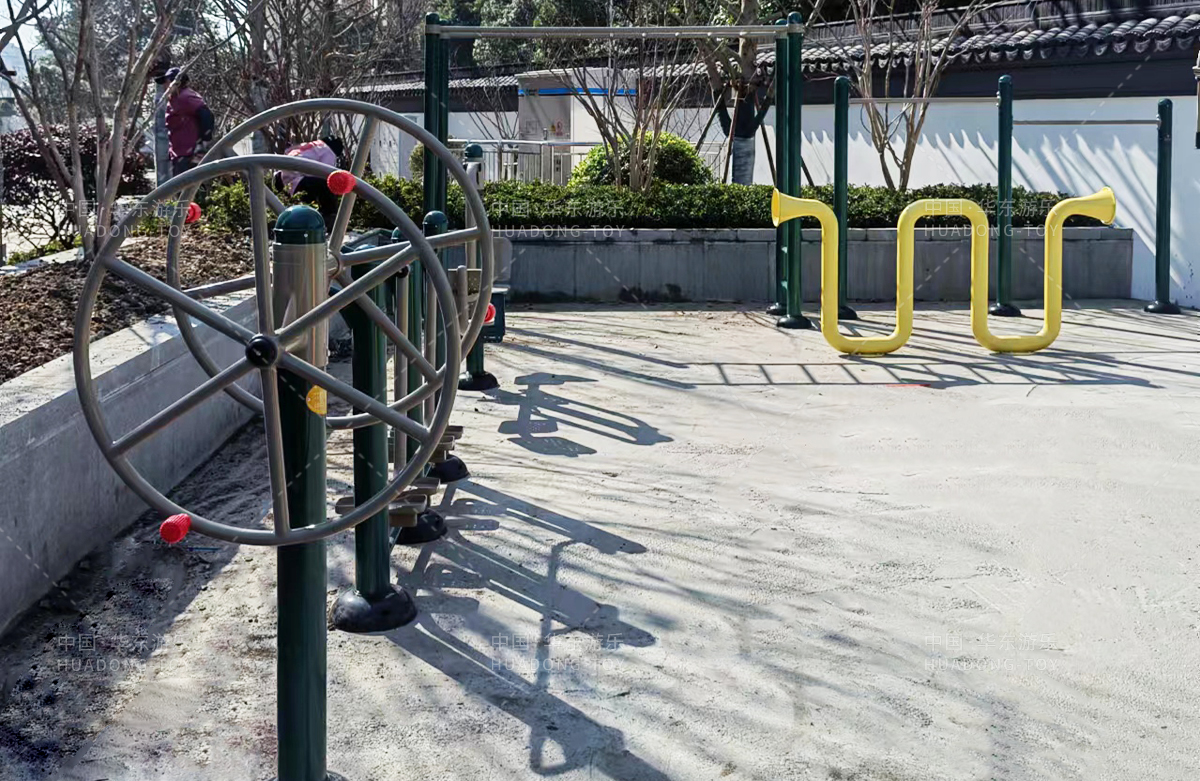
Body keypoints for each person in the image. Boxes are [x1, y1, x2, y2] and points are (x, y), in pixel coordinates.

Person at [274, 137, 347, 231]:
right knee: (326, 186)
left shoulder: (314, 145)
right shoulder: (328, 152)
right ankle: (330, 218)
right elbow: (327, 174)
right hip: (298, 180)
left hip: (283, 178)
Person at [158, 68, 215, 177]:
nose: (165, 86)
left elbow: (206, 115)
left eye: (167, 82)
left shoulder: (185, 97)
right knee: (179, 186)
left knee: (187, 186)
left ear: (176, 83)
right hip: (179, 154)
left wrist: (203, 143)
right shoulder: (175, 98)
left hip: (189, 155)